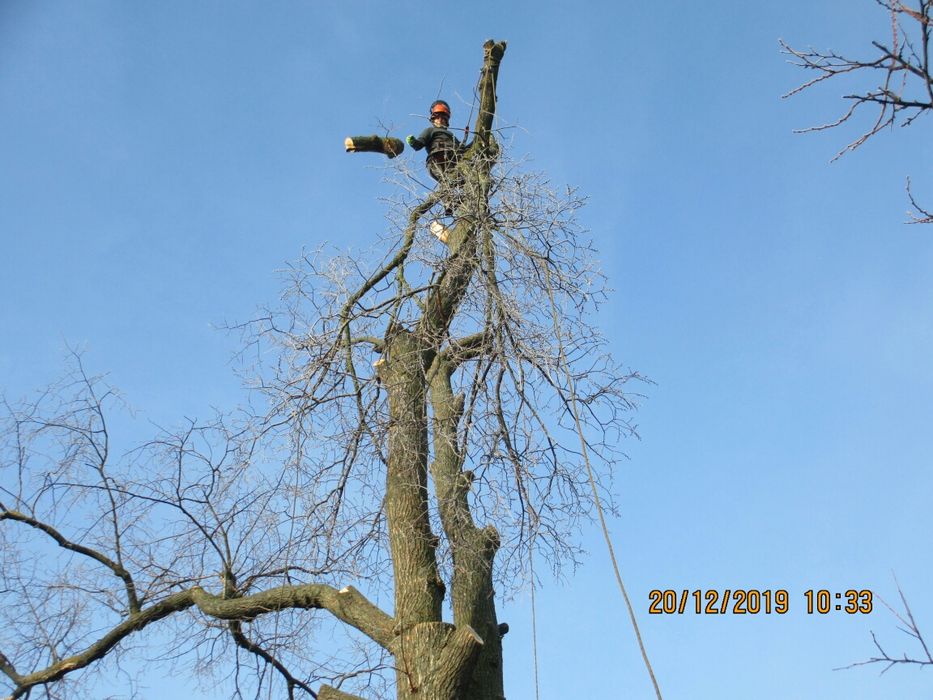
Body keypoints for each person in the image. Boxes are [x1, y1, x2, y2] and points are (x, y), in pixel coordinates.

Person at [406, 100, 470, 190]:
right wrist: (413, 142)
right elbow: (419, 145)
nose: (440, 120)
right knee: (446, 184)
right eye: (438, 118)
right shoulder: (430, 130)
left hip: (454, 160)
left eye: (443, 119)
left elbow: (462, 150)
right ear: (433, 119)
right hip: (437, 160)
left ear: (446, 121)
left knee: (464, 181)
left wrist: (475, 143)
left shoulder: (451, 136)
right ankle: (449, 199)